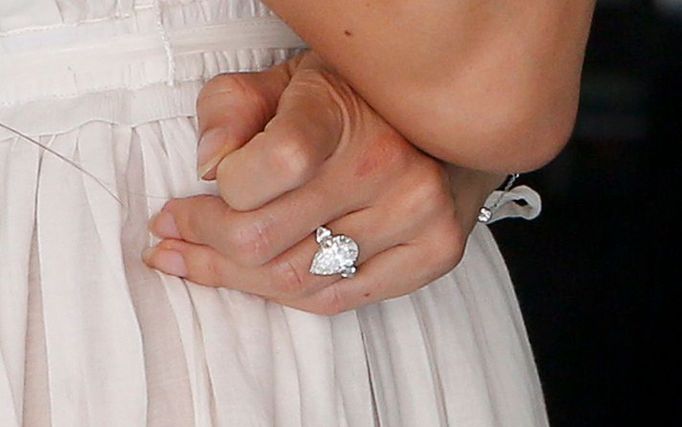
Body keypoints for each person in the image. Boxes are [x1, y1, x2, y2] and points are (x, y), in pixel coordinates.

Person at [0, 0, 593, 425]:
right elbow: (497, 83)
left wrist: (452, 154)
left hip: (360, 224)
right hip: (85, 255)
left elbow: (499, 77)